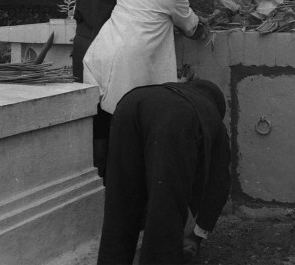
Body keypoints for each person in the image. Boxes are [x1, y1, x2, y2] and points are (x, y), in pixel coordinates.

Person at [96, 79, 231, 265]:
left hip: (129, 102)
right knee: (166, 202)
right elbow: (219, 185)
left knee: (119, 199)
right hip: (174, 116)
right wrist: (197, 236)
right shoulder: (212, 117)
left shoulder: (174, 91)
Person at [83, 0, 199, 116]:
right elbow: (190, 26)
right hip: (133, 62)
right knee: (136, 119)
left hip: (104, 51)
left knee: (112, 120)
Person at [72, 0, 139, 179]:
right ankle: (110, 181)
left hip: (83, 45)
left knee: (94, 115)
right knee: (113, 115)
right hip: (107, 47)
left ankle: (96, 176)